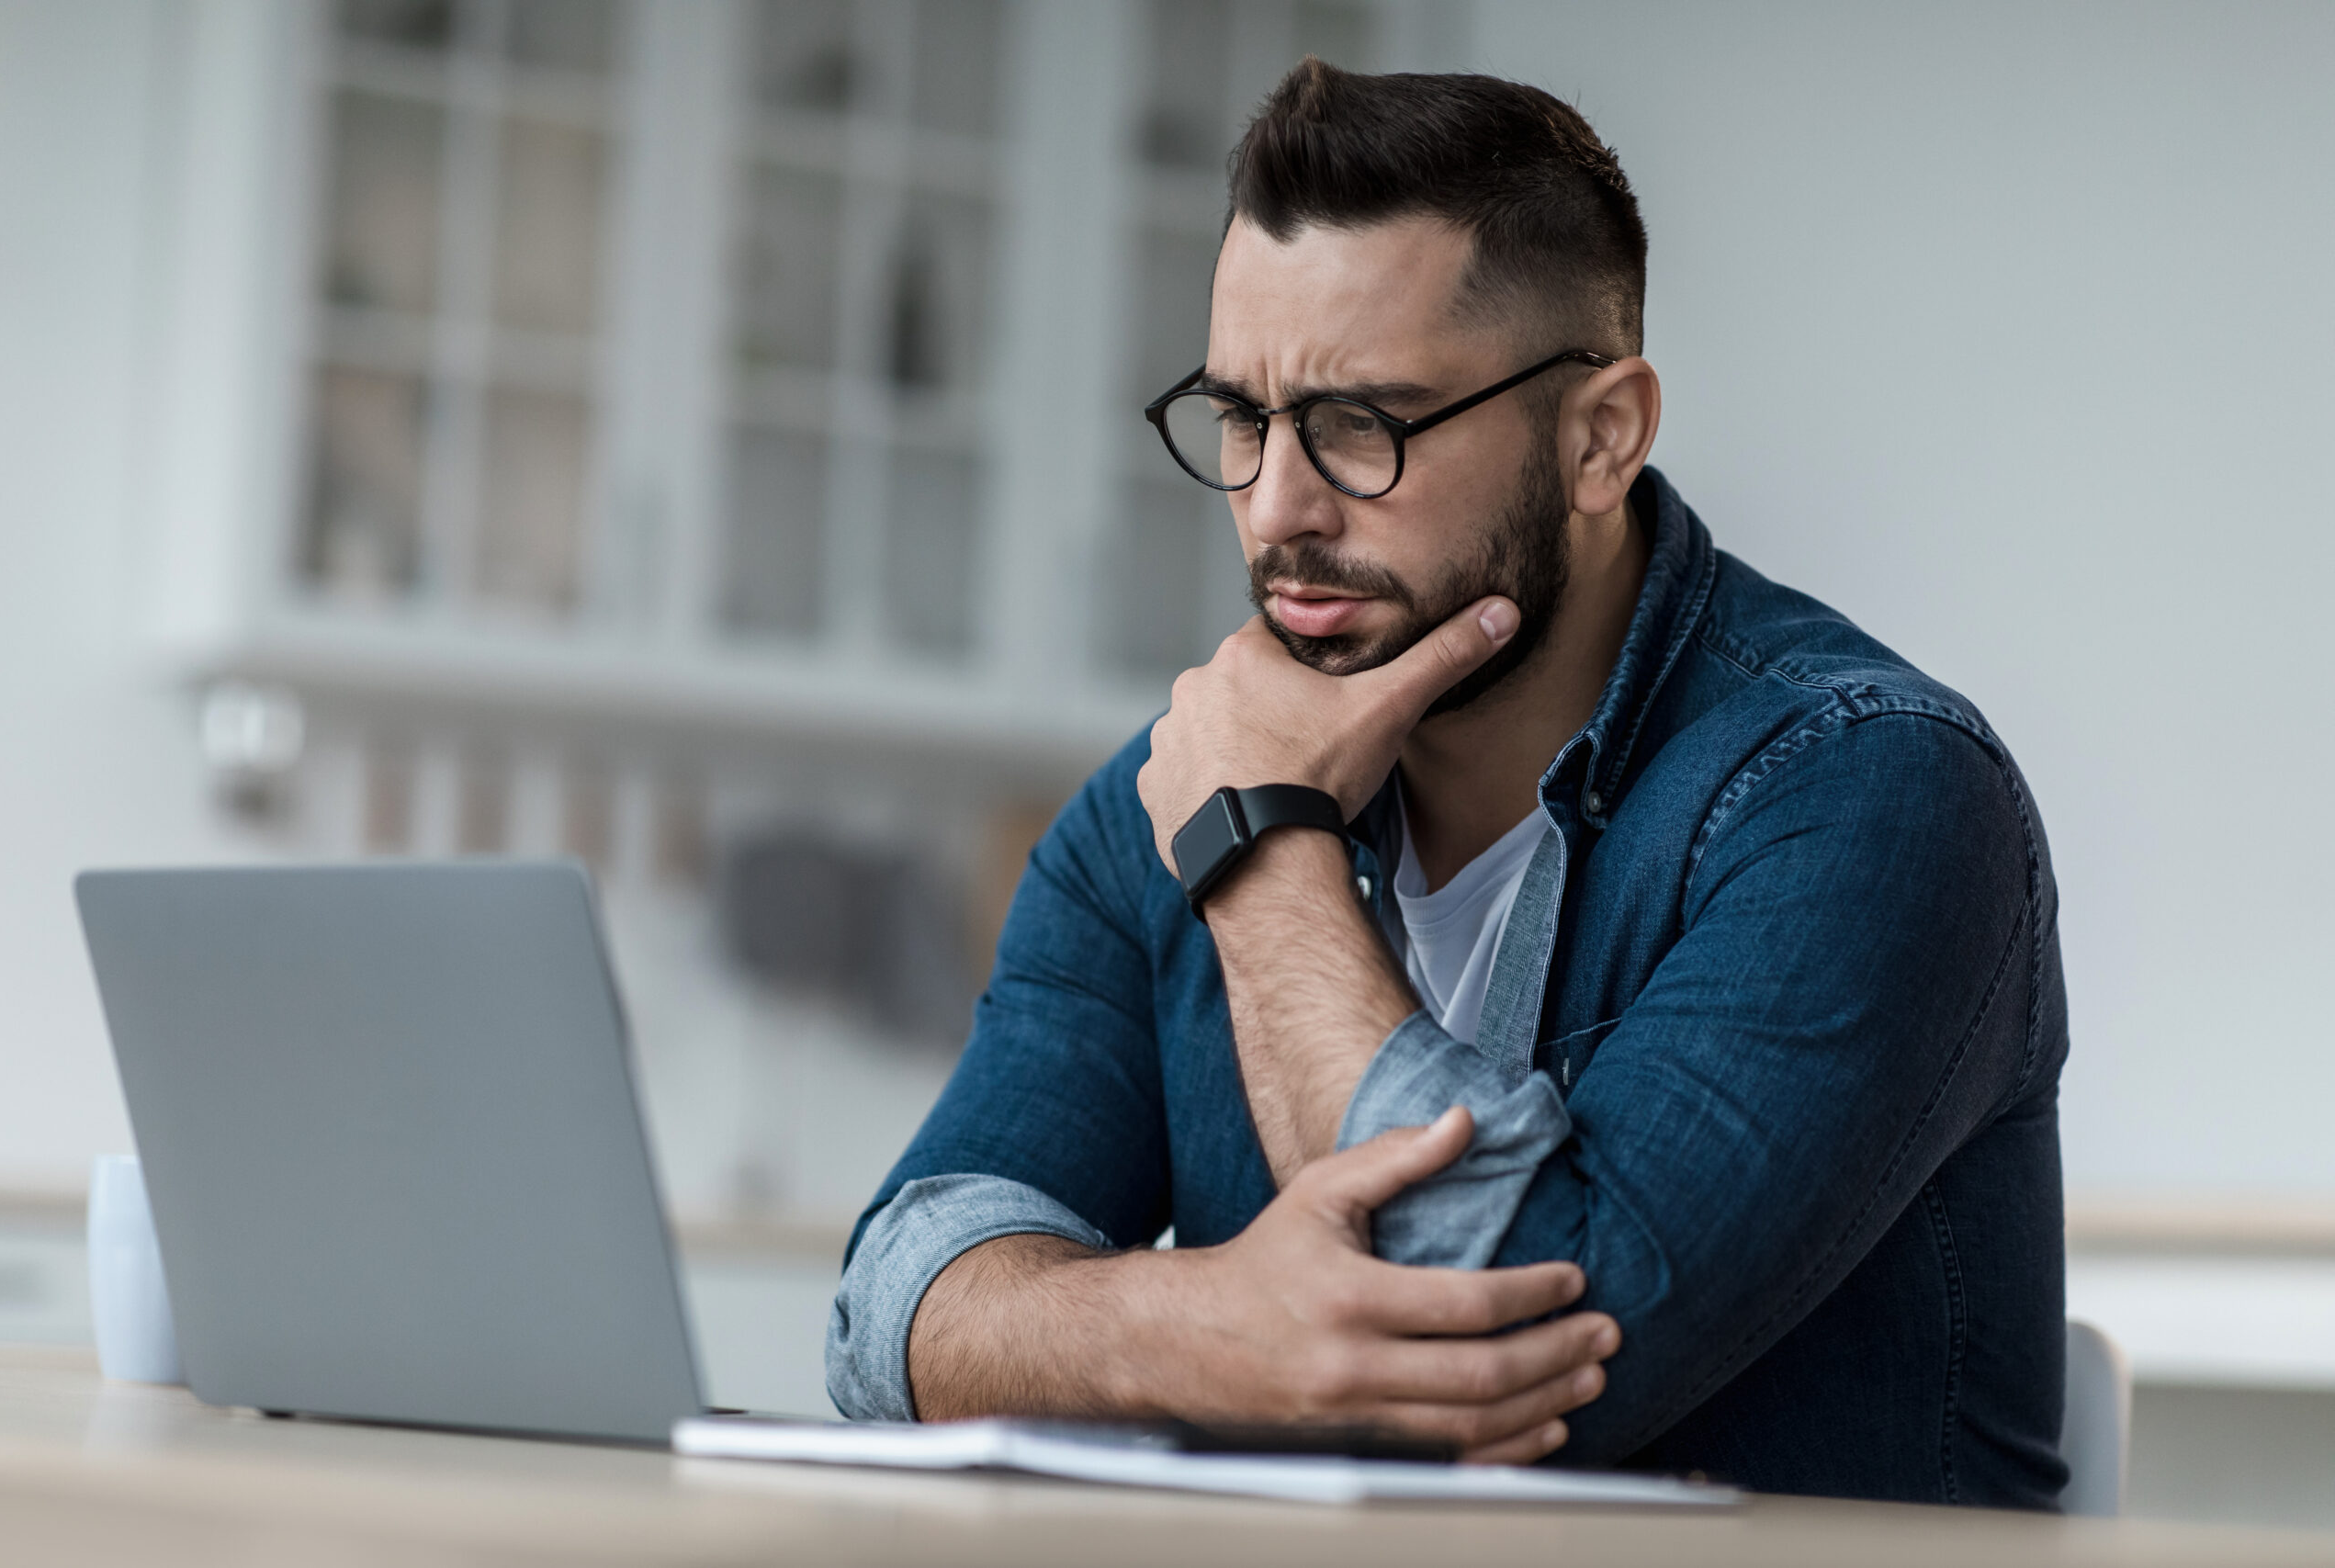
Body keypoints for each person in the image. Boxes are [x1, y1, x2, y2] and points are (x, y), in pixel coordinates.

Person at [825, 59, 2070, 1508]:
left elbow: (1512, 1367)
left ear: (1601, 436)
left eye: (1363, 424)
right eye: (1242, 418)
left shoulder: (1868, 792)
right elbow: (895, 1298)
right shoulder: (1159, 804)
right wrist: (1198, 1329)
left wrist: (1268, 856)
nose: (1279, 507)